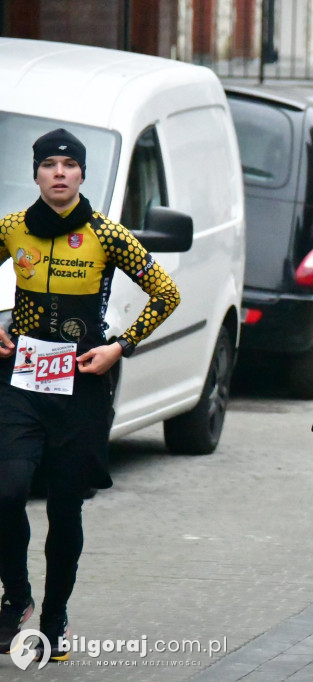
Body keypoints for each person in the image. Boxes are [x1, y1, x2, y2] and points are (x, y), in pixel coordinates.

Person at [0, 129, 181, 659]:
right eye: (49, 164)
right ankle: (17, 600)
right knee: (7, 491)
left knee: (64, 508)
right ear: (35, 173)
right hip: (24, 382)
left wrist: (120, 346)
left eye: (69, 165)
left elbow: (166, 293)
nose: (59, 173)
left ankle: (54, 619)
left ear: (82, 174)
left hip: (81, 384)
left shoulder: (108, 234)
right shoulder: (12, 228)